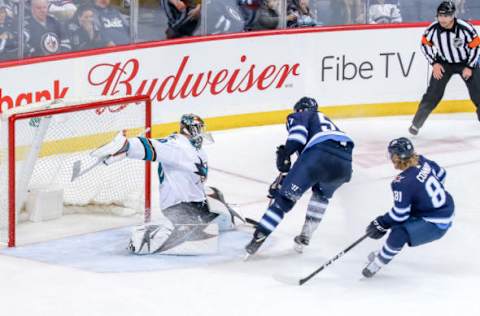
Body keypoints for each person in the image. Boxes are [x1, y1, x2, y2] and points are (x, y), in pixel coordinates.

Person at [91, 114, 243, 255]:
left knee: (225, 218)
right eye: (198, 129)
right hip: (178, 206)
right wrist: (127, 146)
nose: (201, 133)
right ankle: (145, 236)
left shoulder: (196, 150)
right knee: (202, 237)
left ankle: (206, 216)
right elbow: (153, 146)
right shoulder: (177, 145)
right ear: (188, 130)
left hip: (197, 203)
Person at [245, 97, 354, 256]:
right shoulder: (324, 122)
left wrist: (286, 154)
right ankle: (306, 235)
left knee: (284, 200)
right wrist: (285, 179)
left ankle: (259, 237)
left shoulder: (302, 115)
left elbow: (298, 138)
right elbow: (307, 164)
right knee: (321, 195)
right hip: (345, 164)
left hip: (318, 156)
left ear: (300, 109)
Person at [363, 137, 454, 278]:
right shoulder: (422, 161)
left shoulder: (401, 182)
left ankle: (379, 262)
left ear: (396, 157)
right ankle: (386, 251)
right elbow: (441, 174)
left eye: (391, 154)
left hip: (436, 222)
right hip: (445, 207)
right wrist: (425, 198)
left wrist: (381, 223)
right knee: (402, 219)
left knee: (399, 230)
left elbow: (399, 215)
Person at [409, 1, 480, 135]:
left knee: (478, 93)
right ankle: (416, 124)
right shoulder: (432, 29)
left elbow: (476, 47)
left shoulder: (465, 28)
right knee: (432, 94)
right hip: (444, 63)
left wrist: (470, 66)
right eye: (440, 16)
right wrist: (434, 63)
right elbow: (425, 45)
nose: (442, 19)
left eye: (446, 16)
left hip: (466, 62)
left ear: (453, 15)